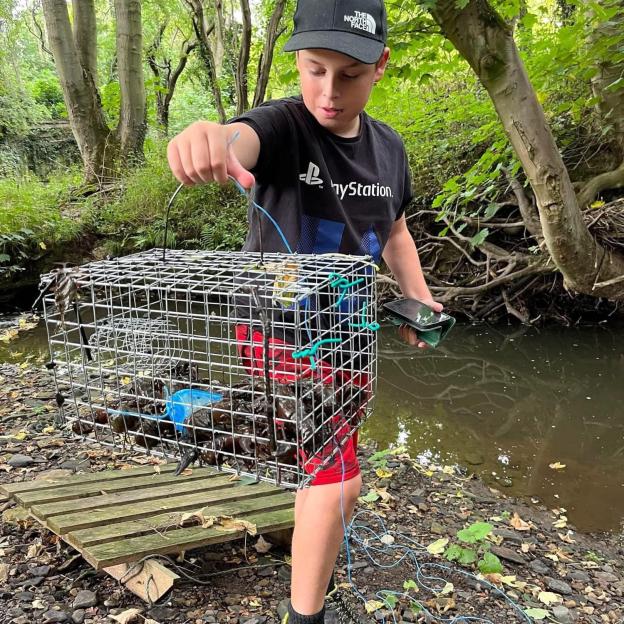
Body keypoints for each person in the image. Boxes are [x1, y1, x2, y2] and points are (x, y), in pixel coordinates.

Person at [167, 0, 442, 621]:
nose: (329, 91)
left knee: (329, 445)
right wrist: (211, 136)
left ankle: (216, 423)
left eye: (349, 75)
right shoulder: (285, 127)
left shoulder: (390, 151)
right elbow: (241, 136)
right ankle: (305, 613)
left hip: (350, 330)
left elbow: (395, 232)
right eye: (314, 69)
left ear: (380, 67)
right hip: (276, 326)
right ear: (297, 60)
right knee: (338, 476)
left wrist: (418, 295)